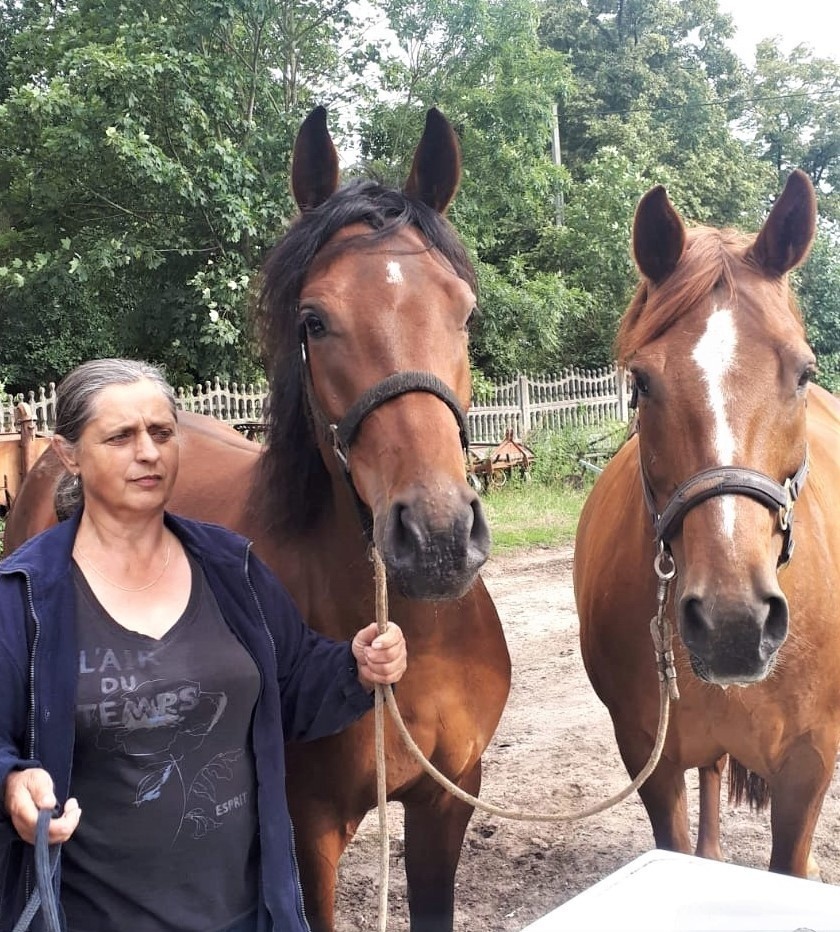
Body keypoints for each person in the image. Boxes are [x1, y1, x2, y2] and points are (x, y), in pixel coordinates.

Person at [0, 358, 407, 932]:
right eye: (120, 436)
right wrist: (12, 781)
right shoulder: (24, 599)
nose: (148, 453)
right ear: (69, 455)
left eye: (162, 433)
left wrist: (357, 667)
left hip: (245, 914)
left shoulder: (232, 569)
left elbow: (289, 686)